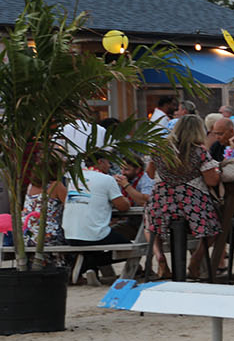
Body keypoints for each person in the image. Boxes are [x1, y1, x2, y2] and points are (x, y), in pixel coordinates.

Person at [145, 115, 222, 279]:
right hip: (191, 203)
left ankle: (159, 256)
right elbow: (211, 180)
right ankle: (195, 260)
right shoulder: (199, 151)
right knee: (214, 228)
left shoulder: (159, 148)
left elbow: (150, 174)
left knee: (150, 227)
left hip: (162, 201)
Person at [62, 150, 145, 282]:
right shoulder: (106, 179)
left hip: (69, 233)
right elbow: (123, 206)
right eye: (108, 162)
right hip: (93, 233)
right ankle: (85, 266)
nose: (110, 166)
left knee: (96, 243)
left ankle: (88, 270)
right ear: (100, 162)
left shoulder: (75, 178)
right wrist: (124, 195)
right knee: (129, 249)